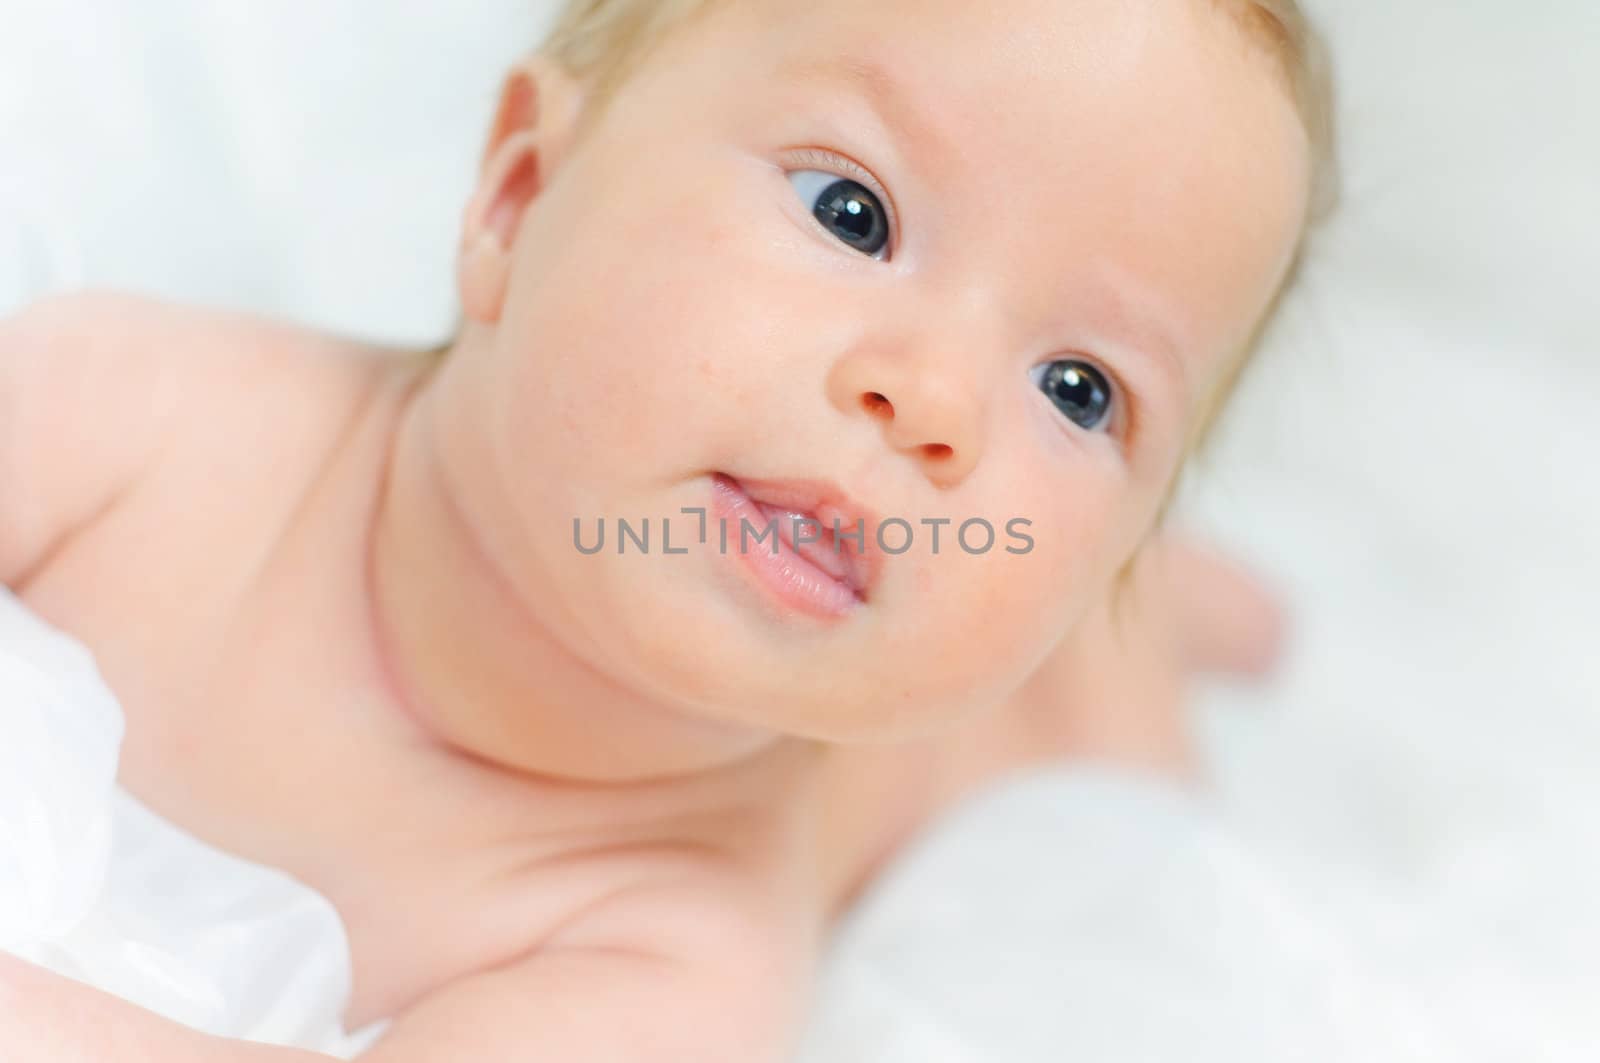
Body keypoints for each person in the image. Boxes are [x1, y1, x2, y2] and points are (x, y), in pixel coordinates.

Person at [0, 0, 1330, 1058]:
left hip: (971, 736)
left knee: (1095, 752)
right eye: (850, 213)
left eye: (1079, 391)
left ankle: (1150, 617)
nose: (935, 404)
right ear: (520, 195)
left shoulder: (678, 949)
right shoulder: (145, 414)